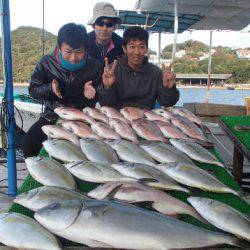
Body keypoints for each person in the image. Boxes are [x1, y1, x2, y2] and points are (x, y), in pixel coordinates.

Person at [22, 23, 102, 158]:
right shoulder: (46, 63)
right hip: (53, 114)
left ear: (85, 48)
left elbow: (100, 96)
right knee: (29, 145)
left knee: (91, 152)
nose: (74, 58)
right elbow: (33, 90)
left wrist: (91, 91)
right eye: (68, 52)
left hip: (82, 116)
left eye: (79, 52)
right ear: (59, 47)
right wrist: (50, 88)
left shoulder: (94, 66)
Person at [98, 26, 180, 109]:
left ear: (146, 48)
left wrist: (168, 89)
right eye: (132, 47)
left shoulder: (156, 72)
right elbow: (105, 104)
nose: (137, 52)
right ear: (124, 48)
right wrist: (107, 88)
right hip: (118, 118)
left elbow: (167, 102)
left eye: (141, 47)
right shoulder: (112, 71)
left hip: (147, 118)